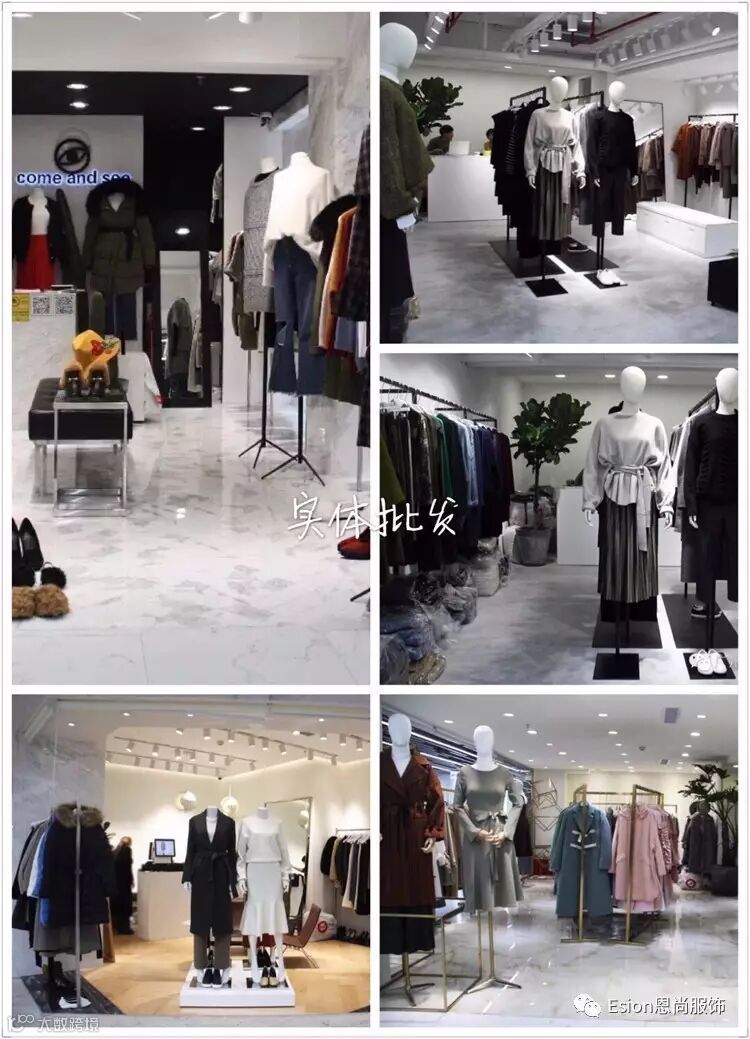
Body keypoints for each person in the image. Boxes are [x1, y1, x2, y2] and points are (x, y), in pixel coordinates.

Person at [111, 836, 134, 934]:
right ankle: (124, 928)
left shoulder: (115, 851)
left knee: (118, 905)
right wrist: (131, 880)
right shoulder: (127, 851)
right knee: (125, 905)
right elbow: (127, 868)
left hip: (116, 883)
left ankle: (116, 927)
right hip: (124, 883)